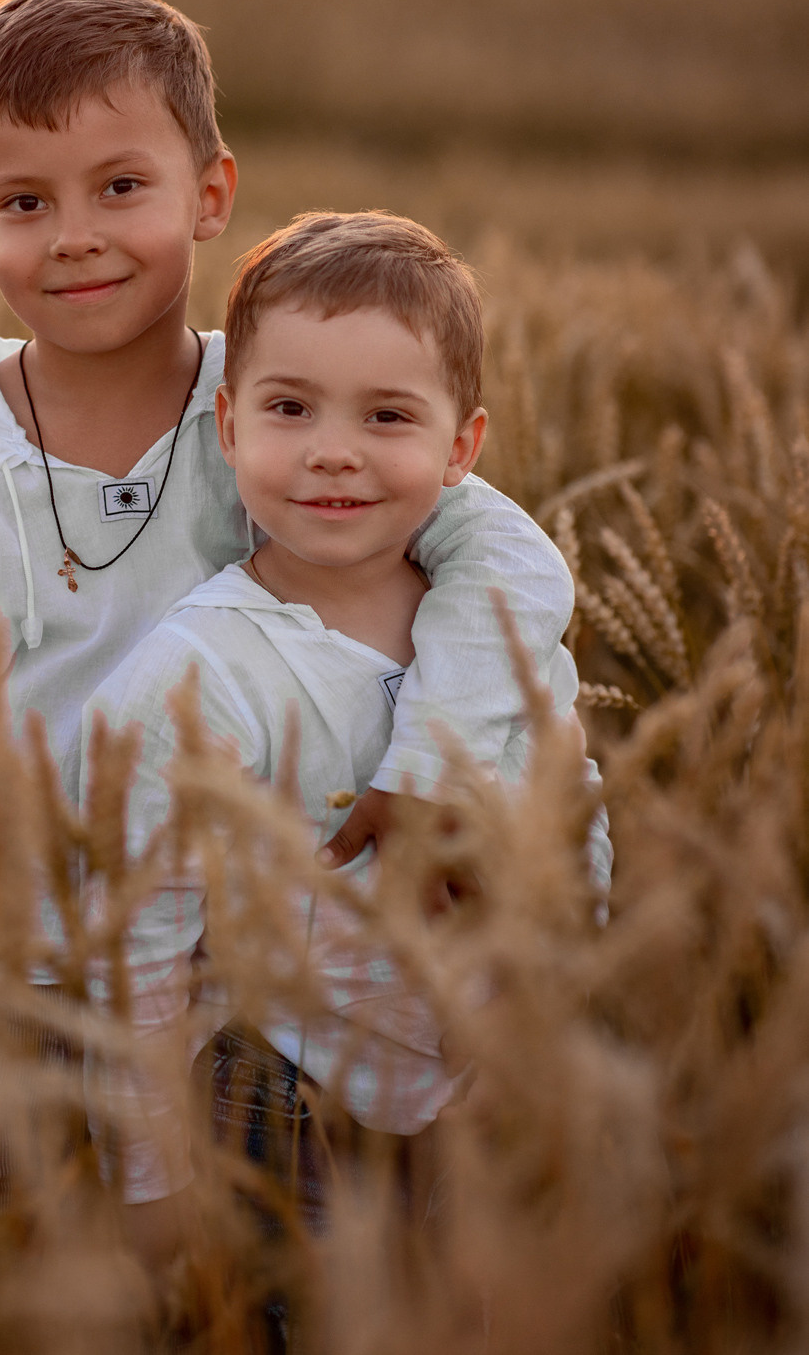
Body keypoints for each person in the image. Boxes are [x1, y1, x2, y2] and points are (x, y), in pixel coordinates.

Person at [0, 0, 581, 1346]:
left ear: (209, 191)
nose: (77, 236)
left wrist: (425, 770)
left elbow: (508, 561)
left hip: (226, 1014)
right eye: (25, 200)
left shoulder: (289, 398)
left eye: (122, 184)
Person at [81, 210, 611, 1256]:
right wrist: (147, 1174)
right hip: (291, 1094)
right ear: (227, 429)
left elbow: (568, 796)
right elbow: (135, 940)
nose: (332, 453)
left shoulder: (488, 630)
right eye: (289, 407)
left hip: (492, 1084)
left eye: (385, 417)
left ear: (461, 447)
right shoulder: (195, 678)